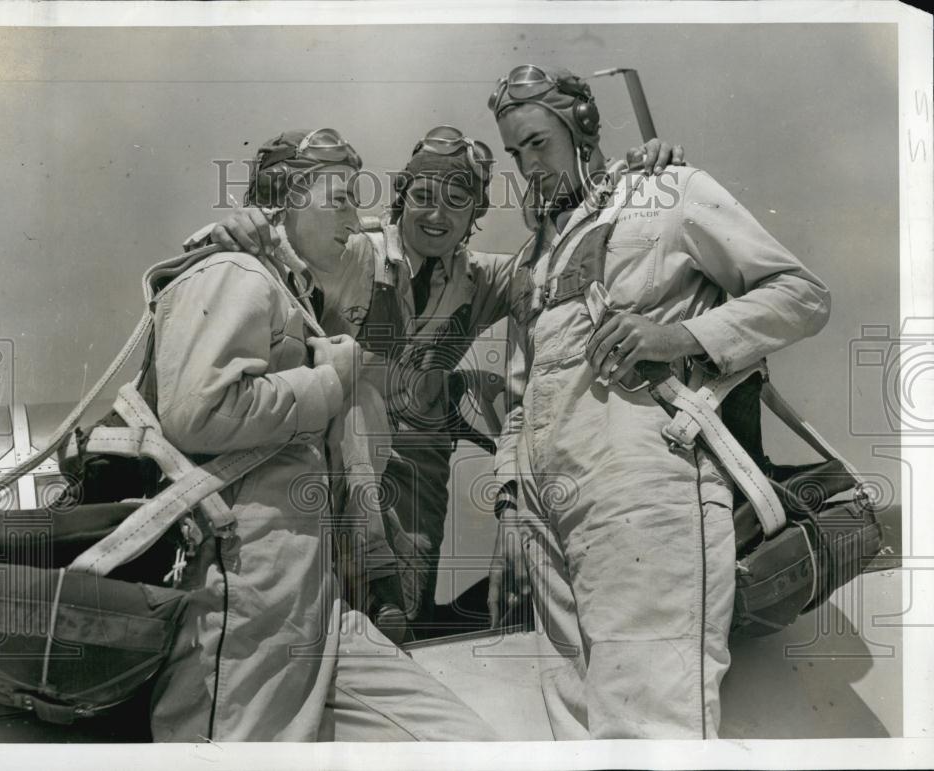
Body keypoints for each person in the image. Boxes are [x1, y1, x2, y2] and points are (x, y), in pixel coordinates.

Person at [205, 124, 683, 638]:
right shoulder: (352, 251)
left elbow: (568, 257)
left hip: (420, 467)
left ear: (475, 215)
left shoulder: (484, 280)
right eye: (424, 197)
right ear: (402, 198)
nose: (438, 215)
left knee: (402, 612)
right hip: (338, 454)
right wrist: (239, 228)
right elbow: (284, 248)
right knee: (322, 602)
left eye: (457, 202)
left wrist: (635, 183)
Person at [485, 64, 832, 739]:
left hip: (645, 491)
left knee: (648, 728)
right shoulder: (536, 259)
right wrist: (510, 505)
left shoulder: (665, 191)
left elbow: (801, 294)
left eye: (538, 143)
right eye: (514, 152)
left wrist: (677, 336)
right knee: (575, 734)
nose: (527, 166)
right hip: (547, 515)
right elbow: (522, 397)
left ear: (583, 127)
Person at [148, 128, 497, 741]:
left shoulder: (303, 300)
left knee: (463, 741)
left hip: (326, 575)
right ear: (282, 200)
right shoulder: (244, 268)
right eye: (339, 199)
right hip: (257, 571)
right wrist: (332, 380)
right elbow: (197, 410)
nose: (354, 219)